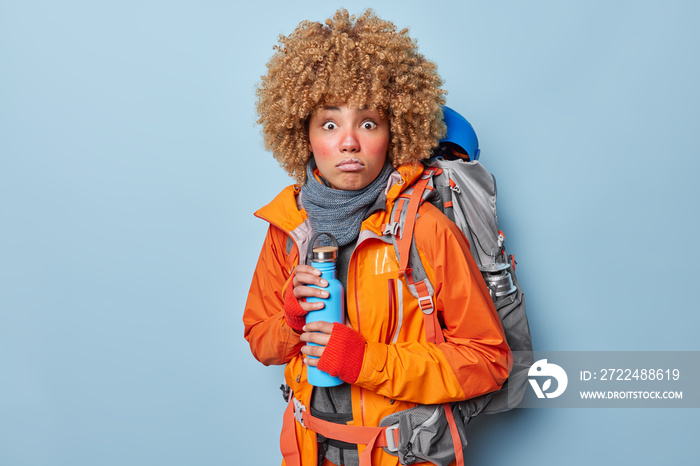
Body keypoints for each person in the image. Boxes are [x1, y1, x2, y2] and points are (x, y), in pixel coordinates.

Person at [243, 9, 511, 466]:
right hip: (310, 453)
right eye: (330, 124)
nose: (349, 142)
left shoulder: (425, 229)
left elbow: (489, 362)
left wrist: (365, 361)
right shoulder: (288, 227)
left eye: (368, 122)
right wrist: (290, 317)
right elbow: (261, 343)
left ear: (394, 132)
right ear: (303, 134)